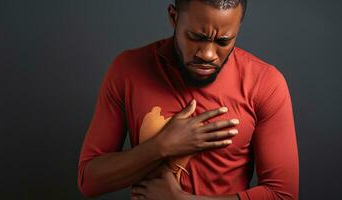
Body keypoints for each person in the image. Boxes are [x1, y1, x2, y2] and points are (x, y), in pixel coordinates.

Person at [77, 0, 299, 199]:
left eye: (223, 41)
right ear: (174, 18)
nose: (208, 54)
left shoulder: (265, 84)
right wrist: (160, 146)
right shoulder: (128, 70)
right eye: (196, 37)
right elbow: (89, 182)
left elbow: (282, 195)